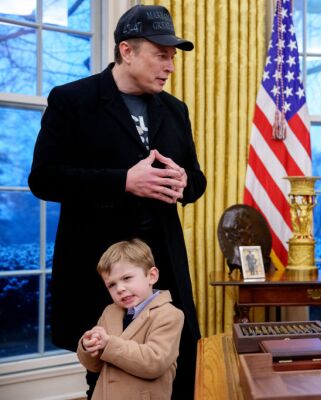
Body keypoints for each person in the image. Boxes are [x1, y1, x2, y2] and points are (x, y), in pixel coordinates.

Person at [28, 5, 206, 399]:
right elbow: (43, 178)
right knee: (109, 370)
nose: (170, 66)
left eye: (172, 57)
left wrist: (184, 182)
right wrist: (124, 181)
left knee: (180, 366)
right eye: (162, 55)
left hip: (163, 269)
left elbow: (196, 181)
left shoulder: (176, 111)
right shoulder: (72, 101)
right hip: (101, 270)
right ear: (127, 51)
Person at [77, 239, 183, 400]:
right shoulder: (109, 312)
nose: (120, 289)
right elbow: (95, 367)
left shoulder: (169, 315)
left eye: (127, 278)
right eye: (111, 285)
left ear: (152, 276)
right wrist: (89, 346)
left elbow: (154, 362)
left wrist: (109, 344)